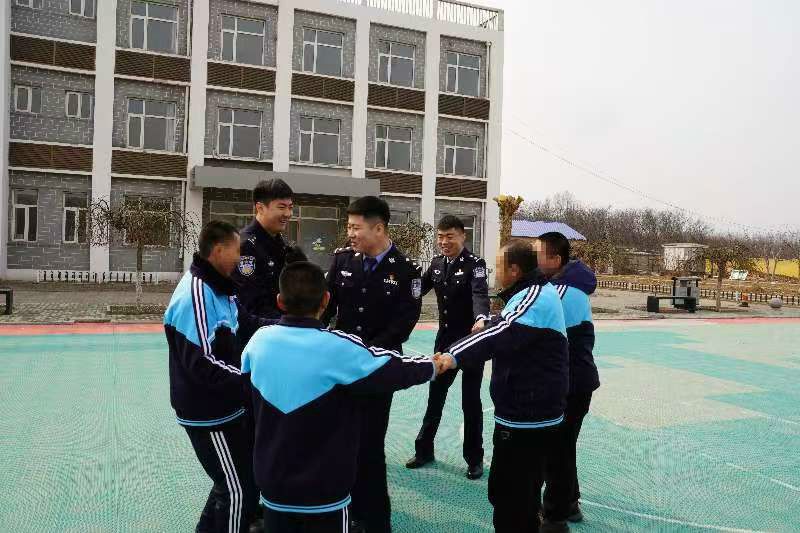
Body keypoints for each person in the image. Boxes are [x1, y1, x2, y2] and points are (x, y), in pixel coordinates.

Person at [241, 260, 442, 533]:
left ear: (280, 301)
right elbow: (392, 369)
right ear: (326, 300)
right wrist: (432, 365)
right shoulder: (339, 347)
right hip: (326, 489)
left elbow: (245, 396)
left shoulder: (258, 342)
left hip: (273, 483)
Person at [437, 240, 570, 533]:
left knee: (513, 500)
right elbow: (505, 324)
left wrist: (452, 355)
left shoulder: (535, 296)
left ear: (514, 270)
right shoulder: (528, 293)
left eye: (498, 266)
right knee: (510, 491)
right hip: (523, 410)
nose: (495, 273)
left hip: (529, 416)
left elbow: (503, 331)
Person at [322, 196, 423, 533]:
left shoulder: (406, 270)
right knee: (340, 441)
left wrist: (366, 354)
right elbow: (326, 307)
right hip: (341, 368)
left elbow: (404, 323)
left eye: (356, 227)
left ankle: (376, 520)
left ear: (378, 228)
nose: (350, 233)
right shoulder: (342, 260)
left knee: (370, 445)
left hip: (378, 369)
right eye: (348, 227)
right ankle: (346, 513)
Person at [164, 221, 272, 533]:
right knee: (238, 489)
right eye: (237, 251)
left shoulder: (221, 288)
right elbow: (203, 364)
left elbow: (246, 322)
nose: (240, 258)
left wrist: (287, 325)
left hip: (228, 405)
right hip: (208, 413)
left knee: (233, 480)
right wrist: (252, 383)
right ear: (219, 250)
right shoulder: (196, 295)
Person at [405, 215, 490, 479]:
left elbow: (479, 294)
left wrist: (481, 318)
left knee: (470, 401)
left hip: (471, 342)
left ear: (462, 236)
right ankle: (424, 451)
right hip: (444, 342)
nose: (444, 242)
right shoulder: (436, 264)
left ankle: (474, 459)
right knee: (435, 396)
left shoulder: (475, 264)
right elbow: (418, 289)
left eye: (449, 236)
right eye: (440, 237)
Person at [536, 232, 600, 527]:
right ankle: (569, 502)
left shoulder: (561, 293)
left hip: (571, 384)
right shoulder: (562, 288)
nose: (534, 259)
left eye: (538, 254)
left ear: (555, 259)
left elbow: (532, 327)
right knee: (562, 446)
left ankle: (555, 512)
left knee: (556, 449)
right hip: (574, 381)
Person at [232, 178, 295, 319]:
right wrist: (287, 325)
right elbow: (250, 305)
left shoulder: (283, 245)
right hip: (262, 329)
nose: (288, 214)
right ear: (260, 208)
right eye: (281, 207)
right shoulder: (246, 247)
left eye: (290, 207)